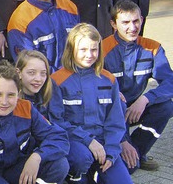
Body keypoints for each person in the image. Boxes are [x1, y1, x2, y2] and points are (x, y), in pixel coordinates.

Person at [0, 61, 69, 184]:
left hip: (17, 165)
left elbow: (59, 137)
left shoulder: (26, 108)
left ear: (18, 93)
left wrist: (37, 157)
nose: (4, 102)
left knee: (60, 165)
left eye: (11, 95)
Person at [50, 23, 131, 183]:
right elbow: (56, 121)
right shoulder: (57, 81)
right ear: (71, 49)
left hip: (104, 143)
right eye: (83, 50)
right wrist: (88, 141)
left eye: (94, 49)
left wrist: (111, 151)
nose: (89, 55)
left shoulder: (109, 79)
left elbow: (115, 121)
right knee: (82, 159)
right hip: (75, 142)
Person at [102, 0, 173, 172]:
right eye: (125, 22)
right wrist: (123, 140)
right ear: (113, 24)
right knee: (128, 169)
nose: (132, 27)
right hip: (110, 112)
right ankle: (126, 150)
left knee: (167, 106)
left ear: (141, 19)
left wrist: (146, 98)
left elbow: (170, 82)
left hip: (136, 108)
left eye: (135, 21)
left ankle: (139, 152)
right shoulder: (102, 50)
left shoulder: (152, 48)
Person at [15, 50, 56, 119]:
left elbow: (57, 122)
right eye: (31, 73)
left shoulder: (50, 93)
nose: (38, 79)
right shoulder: (12, 102)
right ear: (19, 73)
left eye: (43, 73)